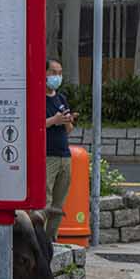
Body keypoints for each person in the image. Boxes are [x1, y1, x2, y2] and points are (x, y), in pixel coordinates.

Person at [43, 60, 76, 239]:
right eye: (53, 72)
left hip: (65, 154)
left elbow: (69, 129)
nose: (57, 76)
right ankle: (39, 237)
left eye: (60, 72)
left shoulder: (61, 98)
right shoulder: (37, 97)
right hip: (47, 155)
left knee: (58, 203)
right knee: (45, 200)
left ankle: (51, 239)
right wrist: (53, 120)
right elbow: (33, 125)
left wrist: (67, 120)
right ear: (44, 74)